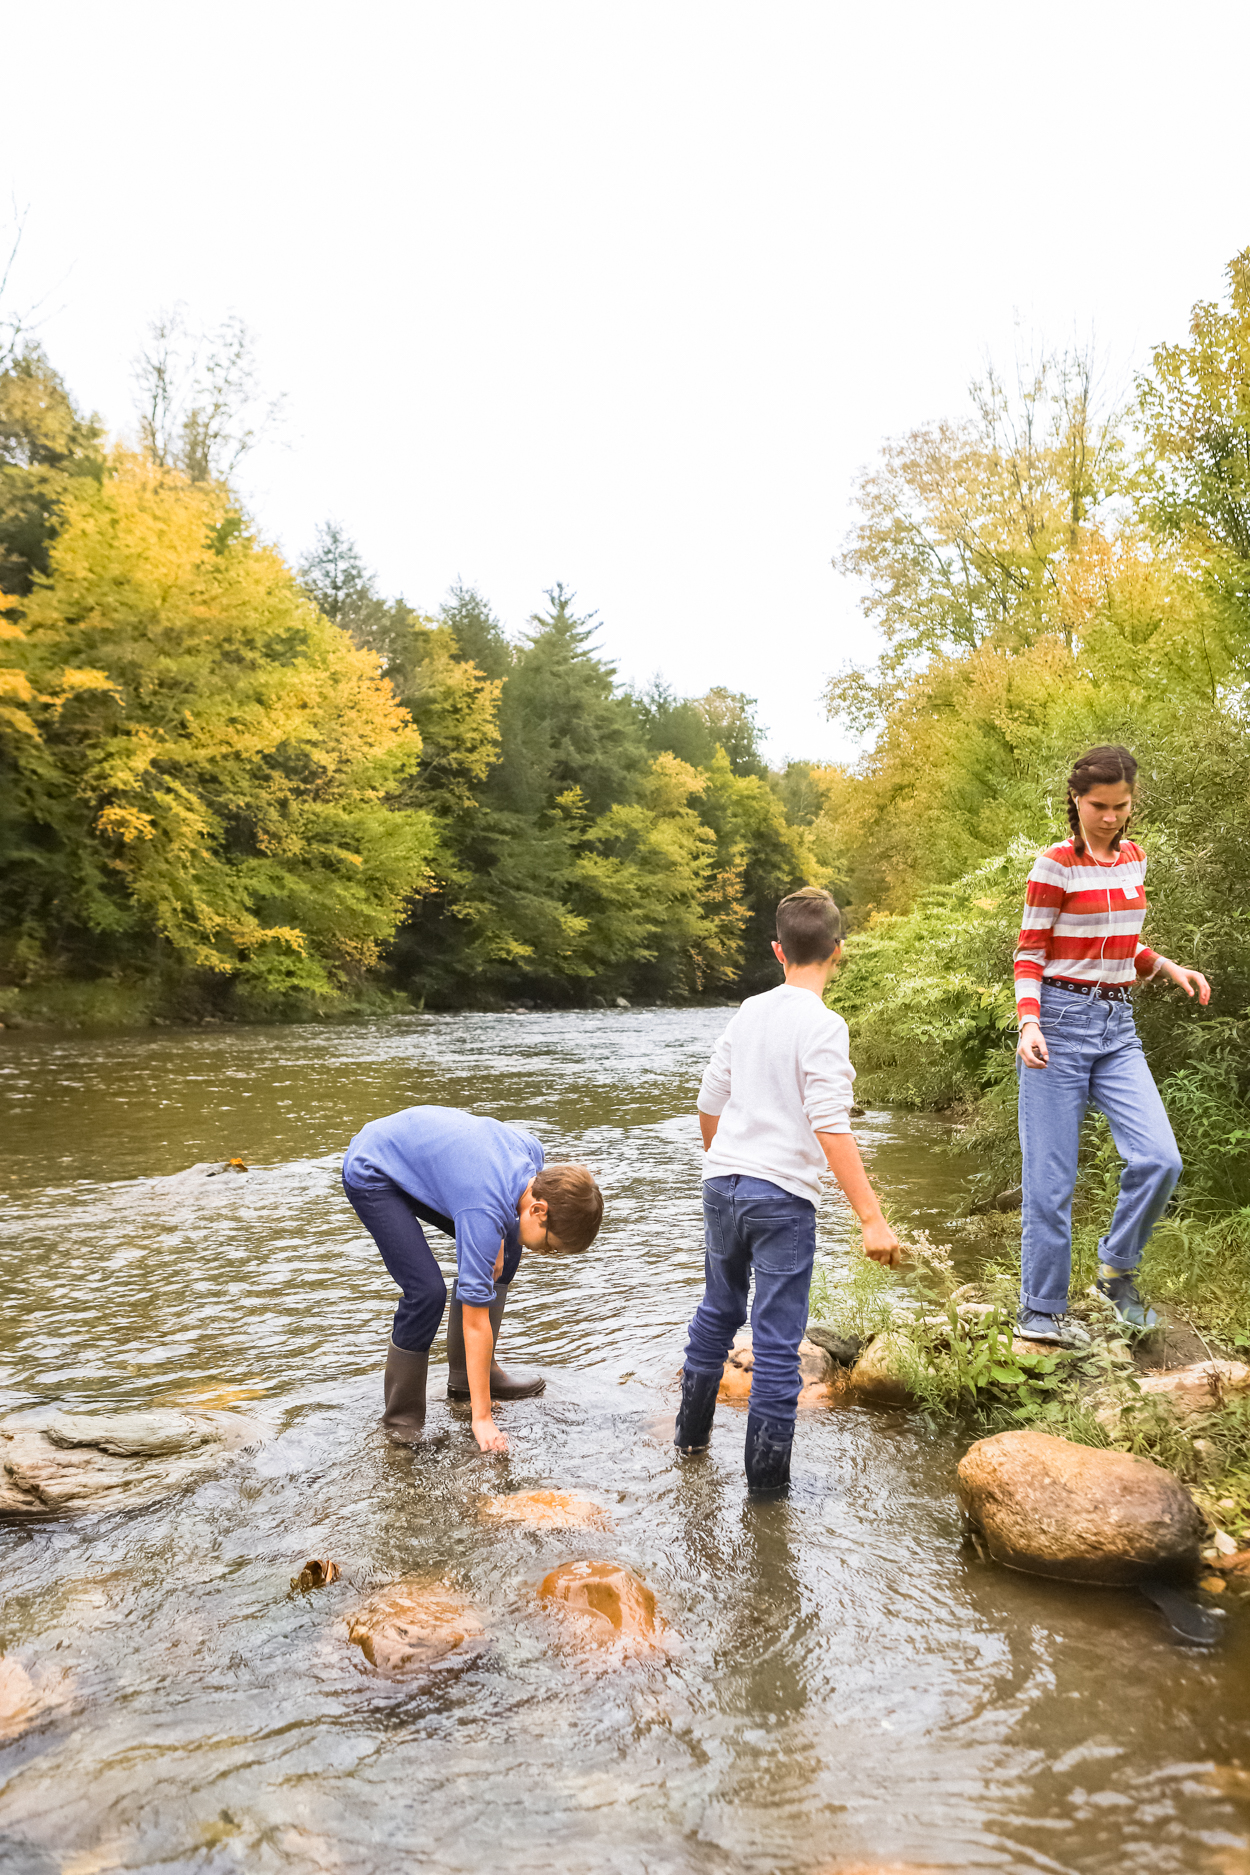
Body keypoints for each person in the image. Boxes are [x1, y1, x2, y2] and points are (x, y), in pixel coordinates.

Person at [675, 887, 901, 1493]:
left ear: (778, 951)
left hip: (721, 1184)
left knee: (715, 1316)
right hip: (782, 1199)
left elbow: (708, 1102)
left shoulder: (749, 1010)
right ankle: (766, 1494)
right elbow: (831, 1124)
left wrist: (724, 1164)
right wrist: (871, 1219)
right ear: (839, 951)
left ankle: (689, 1445)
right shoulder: (825, 1026)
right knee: (776, 1348)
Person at [1013, 745, 1210, 1347]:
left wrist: (1166, 966)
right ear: (1077, 800)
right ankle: (1040, 1310)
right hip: (1058, 1028)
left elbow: (1122, 942)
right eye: (1099, 806)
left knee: (1160, 1160)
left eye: (1121, 806)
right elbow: (1030, 953)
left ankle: (1116, 1270)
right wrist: (1029, 1022)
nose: (1110, 817)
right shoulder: (1054, 866)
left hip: (1117, 1029)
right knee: (1051, 1183)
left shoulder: (1133, 859)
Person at [342, 1104, 604, 1451]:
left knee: (509, 1246)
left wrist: (497, 1238)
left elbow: (501, 1204)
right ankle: (400, 1420)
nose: (546, 1255)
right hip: (375, 1168)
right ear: (539, 1210)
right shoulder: (483, 1208)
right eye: (549, 1246)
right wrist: (482, 1418)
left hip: (435, 1164)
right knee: (426, 1293)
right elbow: (475, 1321)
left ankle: (469, 1378)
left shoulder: (533, 1159)